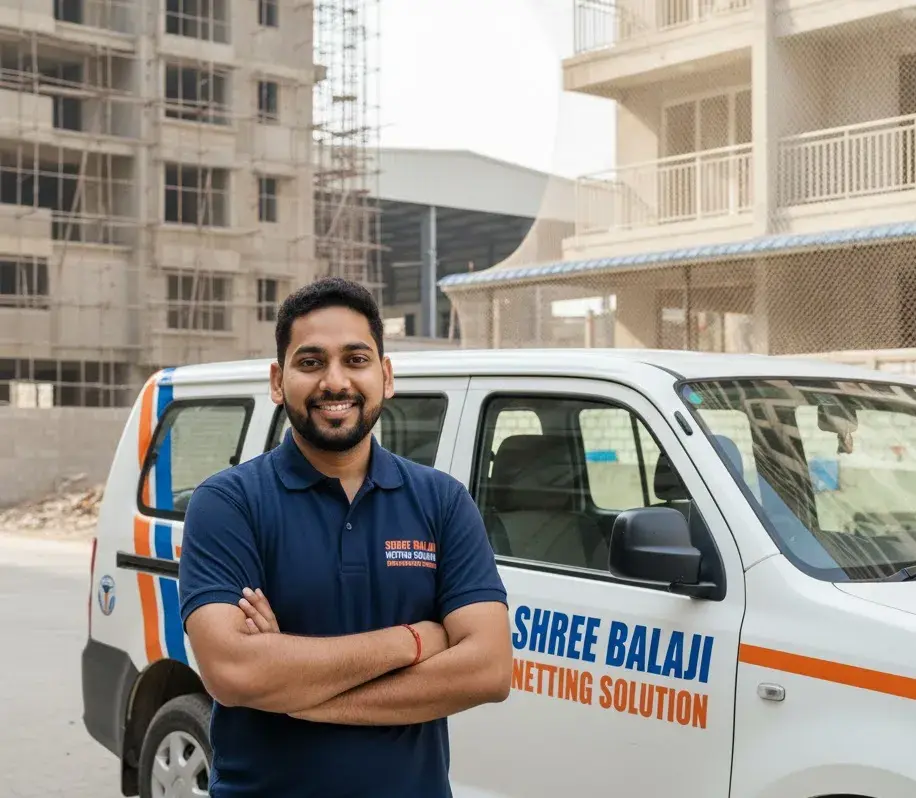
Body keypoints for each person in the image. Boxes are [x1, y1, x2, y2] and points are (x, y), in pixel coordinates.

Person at [178, 276, 512, 798]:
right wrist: (416, 640)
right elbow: (233, 671)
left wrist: (293, 688)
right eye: (311, 362)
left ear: (386, 375)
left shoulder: (441, 501)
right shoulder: (229, 503)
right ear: (276, 379)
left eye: (355, 360)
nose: (335, 382)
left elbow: (489, 669)